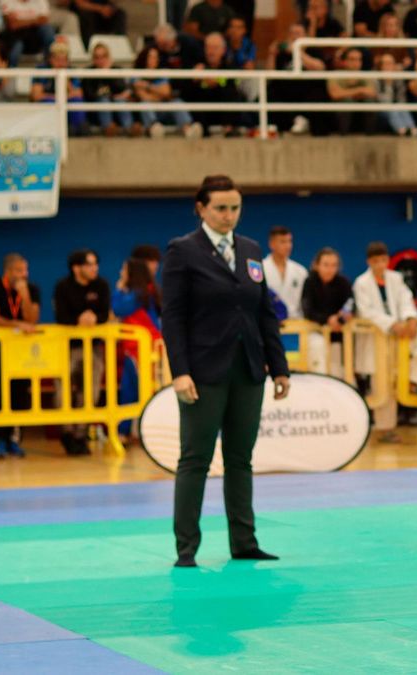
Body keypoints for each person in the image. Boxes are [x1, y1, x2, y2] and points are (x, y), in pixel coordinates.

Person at [162, 175, 290, 568]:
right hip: (202, 372)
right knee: (195, 459)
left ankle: (244, 541)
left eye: (235, 207)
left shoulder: (251, 249)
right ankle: (187, 549)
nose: (228, 215)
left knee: (241, 459)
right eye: (220, 207)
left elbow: (264, 312)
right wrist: (180, 371)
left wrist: (279, 368)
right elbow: (173, 317)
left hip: (249, 369)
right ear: (201, 208)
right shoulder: (182, 251)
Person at [353, 241, 417, 437]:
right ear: (369, 262)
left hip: (401, 333)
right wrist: (392, 324)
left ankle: (414, 381)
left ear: (388, 260)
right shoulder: (361, 283)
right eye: (375, 261)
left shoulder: (396, 278)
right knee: (383, 381)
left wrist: (410, 319)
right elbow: (366, 311)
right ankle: (385, 428)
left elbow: (406, 300)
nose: (380, 265)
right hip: (378, 336)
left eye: (383, 260)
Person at [0, 253, 41, 459]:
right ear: (8, 271)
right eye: (19, 270)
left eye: (25, 270)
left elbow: (32, 319)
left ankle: (14, 439)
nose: (23, 274)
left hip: (21, 354)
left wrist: (24, 295)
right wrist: (16, 325)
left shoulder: (31, 289)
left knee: (20, 396)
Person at [53, 248, 110, 456]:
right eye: (90, 264)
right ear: (77, 268)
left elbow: (104, 313)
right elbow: (61, 316)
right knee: (63, 390)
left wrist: (94, 318)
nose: (95, 268)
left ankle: (81, 432)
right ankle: (66, 431)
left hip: (93, 347)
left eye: (96, 263)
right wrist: (78, 321)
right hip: (69, 347)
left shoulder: (101, 285)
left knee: (91, 390)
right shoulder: (63, 287)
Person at [113, 256, 162, 437]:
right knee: (130, 390)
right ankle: (124, 431)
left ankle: (149, 431)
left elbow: (118, 308)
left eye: (123, 270)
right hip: (134, 350)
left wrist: (118, 289)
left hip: (143, 350)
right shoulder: (142, 292)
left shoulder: (141, 293)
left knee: (141, 390)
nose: (120, 273)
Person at [301, 247, 352, 377]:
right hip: (316, 331)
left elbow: (350, 304)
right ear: (317, 265)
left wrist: (342, 318)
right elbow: (308, 310)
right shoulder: (310, 282)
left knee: (338, 370)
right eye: (326, 265)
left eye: (334, 265)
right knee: (318, 358)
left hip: (339, 334)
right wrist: (328, 319)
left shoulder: (343, 283)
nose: (330, 269)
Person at [263, 225, 308, 321]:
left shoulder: (300, 271)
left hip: (297, 325)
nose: (288, 246)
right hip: (269, 323)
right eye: (283, 242)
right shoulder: (260, 269)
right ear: (271, 244)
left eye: (289, 241)